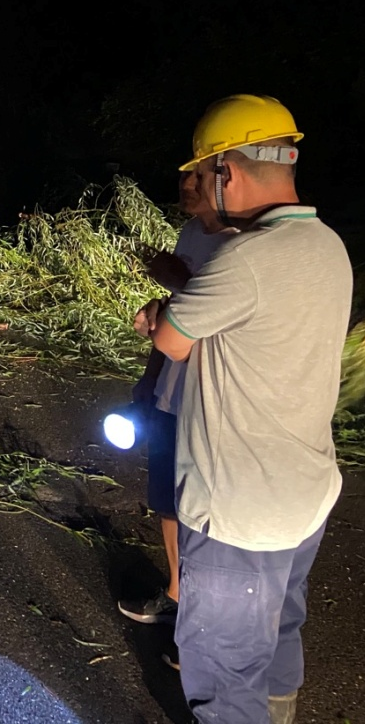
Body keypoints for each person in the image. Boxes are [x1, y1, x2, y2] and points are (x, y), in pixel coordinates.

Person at [141, 95, 351, 724]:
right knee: (278, 638)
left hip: (239, 509)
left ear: (226, 172)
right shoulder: (328, 246)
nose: (196, 188)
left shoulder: (246, 257)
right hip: (304, 497)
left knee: (223, 672)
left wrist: (158, 316)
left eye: (201, 174)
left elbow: (171, 339)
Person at [117, 169, 234, 629]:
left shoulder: (243, 245)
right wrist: (150, 376)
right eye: (183, 174)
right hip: (171, 387)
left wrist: (179, 281)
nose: (185, 182)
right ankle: (176, 593)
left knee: (208, 509)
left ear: (224, 177)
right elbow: (178, 308)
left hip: (213, 397)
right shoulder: (191, 233)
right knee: (167, 496)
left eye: (197, 174)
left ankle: (207, 620)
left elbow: (225, 316)